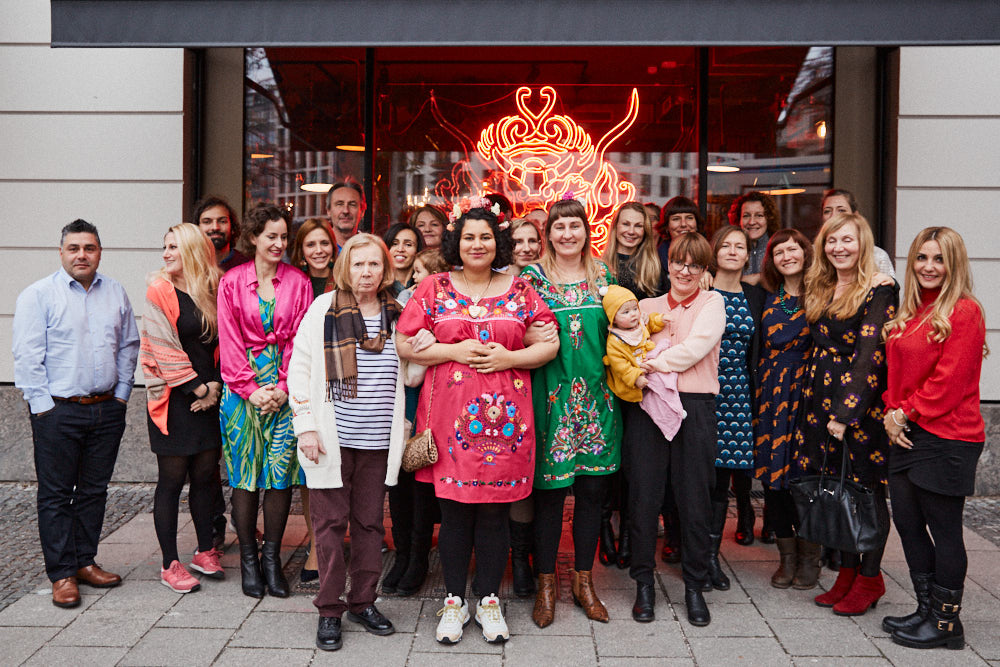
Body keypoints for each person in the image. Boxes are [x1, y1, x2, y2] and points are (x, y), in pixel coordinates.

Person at [397, 202, 558, 644]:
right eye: (469, 236)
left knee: (494, 515)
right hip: (448, 424)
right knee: (453, 515)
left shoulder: (521, 289)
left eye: (485, 236)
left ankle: (488, 600)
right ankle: (453, 600)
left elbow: (549, 344)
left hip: (507, 425)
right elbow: (404, 342)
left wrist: (510, 357)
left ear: (497, 241)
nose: (477, 244)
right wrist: (452, 351)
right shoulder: (433, 287)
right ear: (456, 242)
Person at [288, 234, 408, 651]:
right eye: (358, 265)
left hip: (377, 441)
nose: (366, 273)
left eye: (374, 264)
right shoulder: (323, 309)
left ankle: (363, 601)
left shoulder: (399, 313)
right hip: (331, 439)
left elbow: (409, 374)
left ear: (385, 269)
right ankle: (329, 609)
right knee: (329, 526)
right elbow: (299, 367)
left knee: (370, 525)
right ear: (345, 268)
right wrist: (305, 425)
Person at [13, 219, 140, 608]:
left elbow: (129, 345)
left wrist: (120, 397)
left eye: (89, 248)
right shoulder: (38, 295)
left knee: (94, 491)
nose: (82, 254)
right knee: (55, 495)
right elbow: (27, 357)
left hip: (106, 410)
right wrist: (44, 409)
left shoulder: (115, 291)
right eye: (74, 248)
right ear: (61, 252)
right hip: (58, 412)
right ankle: (62, 573)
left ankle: (85, 561)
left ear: (100, 251)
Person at [881, 227, 987, 650]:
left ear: (953, 264)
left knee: (944, 530)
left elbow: (949, 382)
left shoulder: (964, 311)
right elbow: (897, 376)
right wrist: (892, 412)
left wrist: (905, 412)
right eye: (921, 258)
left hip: (948, 437)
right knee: (907, 525)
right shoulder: (911, 312)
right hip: (908, 432)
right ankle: (926, 609)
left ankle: (946, 625)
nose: (928, 267)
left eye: (938, 259)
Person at [521, 198, 620, 629]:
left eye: (574, 226)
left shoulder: (605, 278)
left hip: (599, 405)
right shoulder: (531, 281)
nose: (566, 234)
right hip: (550, 405)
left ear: (586, 230)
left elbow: (628, 330)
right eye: (558, 227)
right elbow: (514, 332)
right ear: (549, 234)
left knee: (593, 498)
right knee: (549, 499)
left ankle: (583, 582)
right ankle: (546, 585)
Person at [795, 212, 898, 616]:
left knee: (865, 492)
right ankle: (847, 572)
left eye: (848, 240)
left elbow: (870, 356)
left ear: (864, 245)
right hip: (818, 401)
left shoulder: (879, 289)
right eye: (832, 240)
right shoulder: (821, 285)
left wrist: (845, 413)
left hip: (858, 407)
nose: (839, 247)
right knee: (835, 487)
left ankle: (870, 577)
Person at [623, 232, 725, 627]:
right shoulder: (645, 306)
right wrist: (640, 362)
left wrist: (650, 362)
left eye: (695, 264)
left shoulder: (712, 302)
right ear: (669, 264)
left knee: (694, 502)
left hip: (694, 408)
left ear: (704, 271)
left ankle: (695, 587)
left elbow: (696, 348)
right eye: (680, 262)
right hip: (648, 409)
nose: (685, 270)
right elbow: (622, 349)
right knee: (643, 501)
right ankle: (643, 585)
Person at [217, 203, 313, 599]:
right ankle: (250, 562)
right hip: (243, 393)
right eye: (270, 236)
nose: (278, 243)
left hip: (287, 390)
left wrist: (285, 386)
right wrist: (250, 388)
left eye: (283, 237)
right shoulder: (232, 282)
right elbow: (229, 336)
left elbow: (301, 339)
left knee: (279, 476)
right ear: (253, 237)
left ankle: (272, 559)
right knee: (245, 476)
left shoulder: (299, 282)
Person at [140, 223, 225, 593]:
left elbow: (226, 343)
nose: (166, 253)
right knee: (172, 481)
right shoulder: (159, 291)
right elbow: (163, 349)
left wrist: (216, 387)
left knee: (206, 476)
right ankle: (169, 563)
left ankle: (205, 550)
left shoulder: (213, 289)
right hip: (174, 398)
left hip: (212, 395)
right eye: (165, 247)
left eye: (174, 246)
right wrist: (197, 388)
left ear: (191, 249)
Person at [599, 201, 669, 568]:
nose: (630, 230)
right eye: (624, 224)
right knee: (608, 452)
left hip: (643, 369)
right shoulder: (600, 266)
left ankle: (628, 531)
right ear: (614, 227)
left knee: (633, 457)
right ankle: (604, 532)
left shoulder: (657, 265)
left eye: (637, 225)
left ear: (646, 229)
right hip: (607, 369)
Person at [753, 229, 823, 590]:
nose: (786, 256)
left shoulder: (823, 291)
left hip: (808, 393)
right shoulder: (765, 295)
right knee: (773, 478)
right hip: (771, 395)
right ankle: (787, 558)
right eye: (778, 251)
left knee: (805, 476)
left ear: (805, 252)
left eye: (792, 249)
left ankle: (811, 557)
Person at [380, 221, 435, 597]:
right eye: (396, 243)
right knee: (395, 478)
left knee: (418, 475)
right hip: (387, 394)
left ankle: (418, 556)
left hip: (422, 396)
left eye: (410, 244)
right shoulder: (384, 294)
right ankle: (401, 553)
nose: (402, 250)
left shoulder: (428, 297)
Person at [707, 226, 766, 574]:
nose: (732, 250)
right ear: (714, 252)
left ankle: (712, 558)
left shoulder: (755, 296)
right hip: (702, 394)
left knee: (723, 480)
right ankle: (694, 550)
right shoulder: (700, 290)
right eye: (725, 245)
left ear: (748, 255)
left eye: (739, 246)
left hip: (739, 395)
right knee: (700, 479)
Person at [288, 217, 339, 582]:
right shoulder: (294, 284)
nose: (319, 250)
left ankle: (340, 540)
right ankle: (316, 548)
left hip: (341, 385)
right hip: (305, 381)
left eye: (324, 243)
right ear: (301, 252)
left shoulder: (347, 280)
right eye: (311, 245)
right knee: (311, 470)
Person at [500, 214, 545, 597]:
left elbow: (550, 332)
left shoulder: (543, 281)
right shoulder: (495, 282)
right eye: (519, 241)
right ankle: (500, 556)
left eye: (533, 240)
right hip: (498, 385)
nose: (527, 247)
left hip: (541, 379)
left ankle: (522, 559)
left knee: (525, 481)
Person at [821, 189, 895, 278]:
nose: (833, 216)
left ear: (855, 215)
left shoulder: (877, 255)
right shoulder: (813, 253)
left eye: (841, 210)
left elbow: (890, 287)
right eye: (827, 211)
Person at [728, 191, 780, 284]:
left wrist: (759, 277)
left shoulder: (778, 247)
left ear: (769, 219)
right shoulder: (728, 249)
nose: (752, 222)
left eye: (759, 215)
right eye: (746, 216)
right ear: (738, 219)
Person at [194, 195, 249, 273]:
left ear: (232, 227)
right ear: (197, 228)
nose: (215, 227)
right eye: (207, 222)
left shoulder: (248, 265)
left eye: (222, 221)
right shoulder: (188, 264)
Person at [655, 195, 701, 272]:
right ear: (666, 226)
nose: (683, 224)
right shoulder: (655, 260)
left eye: (689, 218)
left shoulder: (708, 256)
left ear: (697, 223)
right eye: (676, 219)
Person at [384, 222, 425, 294]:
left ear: (417, 250)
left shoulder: (427, 283)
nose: (400, 249)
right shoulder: (377, 286)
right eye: (394, 244)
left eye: (408, 245)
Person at [327, 180, 366, 251]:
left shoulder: (371, 249)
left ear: (362, 211)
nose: (346, 211)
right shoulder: (318, 250)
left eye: (352, 204)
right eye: (339, 204)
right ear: (328, 211)